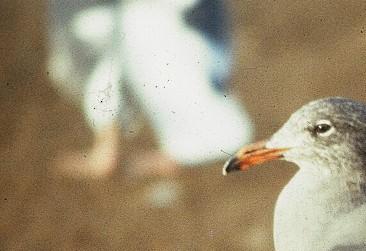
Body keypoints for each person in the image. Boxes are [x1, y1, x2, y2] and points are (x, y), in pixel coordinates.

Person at [47, 0, 253, 178]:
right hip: (195, 37)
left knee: (132, 23)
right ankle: (111, 144)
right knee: (96, 28)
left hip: (185, 34)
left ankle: (194, 140)